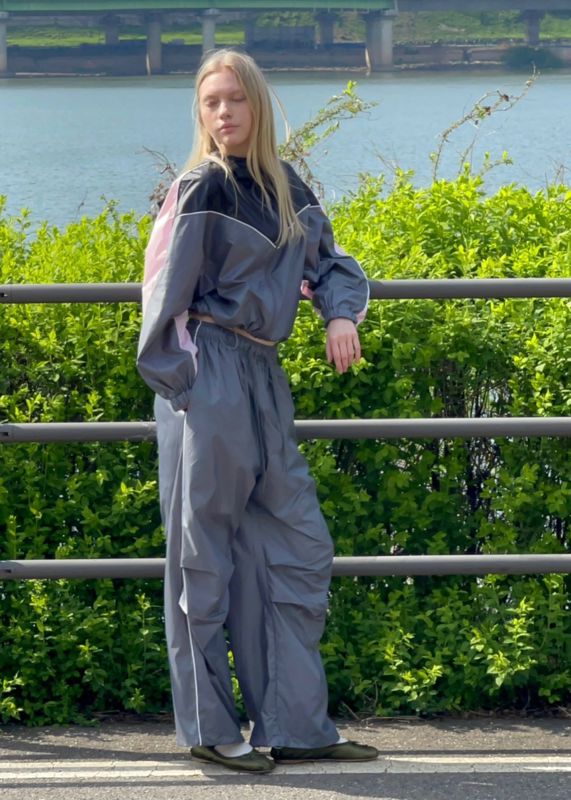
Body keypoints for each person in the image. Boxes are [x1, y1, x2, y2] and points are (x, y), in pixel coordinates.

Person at [136, 48, 376, 774]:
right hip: (207, 371)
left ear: (259, 105)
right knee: (202, 554)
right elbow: (161, 293)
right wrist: (186, 386)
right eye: (210, 102)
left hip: (263, 374)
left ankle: (295, 726)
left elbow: (333, 263)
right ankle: (210, 729)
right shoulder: (199, 187)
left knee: (295, 544)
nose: (223, 113)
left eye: (235, 99)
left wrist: (340, 313)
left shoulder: (285, 187)